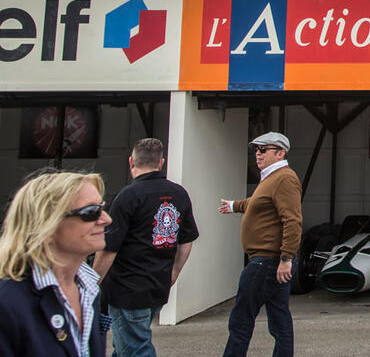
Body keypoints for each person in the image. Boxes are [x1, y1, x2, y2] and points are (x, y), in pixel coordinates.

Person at [93, 137, 199, 357]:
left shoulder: (127, 197)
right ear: (161, 163)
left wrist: (92, 282)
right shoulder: (179, 194)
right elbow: (186, 239)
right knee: (125, 345)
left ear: (131, 162)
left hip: (127, 289)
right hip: (158, 286)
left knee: (135, 348)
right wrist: (174, 272)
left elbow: (109, 248)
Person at [0, 169, 112, 356]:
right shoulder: (8, 302)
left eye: (102, 208)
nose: (106, 219)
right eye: (91, 212)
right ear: (47, 223)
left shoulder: (87, 290)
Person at [217, 131, 302, 357]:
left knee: (241, 320)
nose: (258, 154)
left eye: (263, 150)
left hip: (266, 262)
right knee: (279, 318)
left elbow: (292, 220)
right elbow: (258, 203)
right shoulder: (272, 178)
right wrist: (235, 205)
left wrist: (286, 258)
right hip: (269, 262)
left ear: (280, 153)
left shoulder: (284, 178)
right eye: (256, 150)